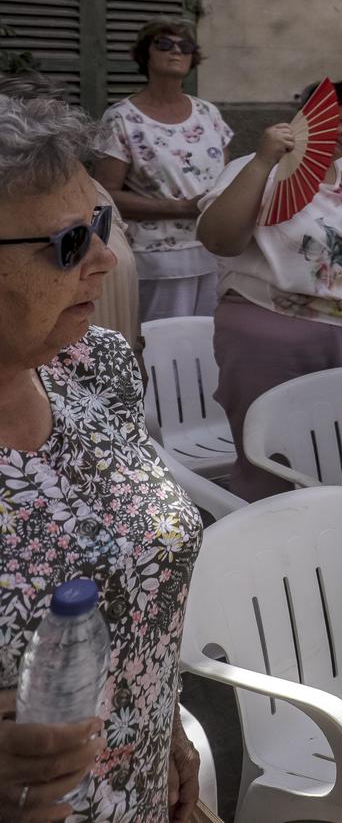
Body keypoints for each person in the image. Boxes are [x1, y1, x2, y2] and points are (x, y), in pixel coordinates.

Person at [0, 95, 203, 823]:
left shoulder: (97, 366)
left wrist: (167, 728)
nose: (105, 257)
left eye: (103, 223)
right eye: (68, 242)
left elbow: (136, 582)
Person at [195, 80, 342, 500]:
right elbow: (220, 239)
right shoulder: (254, 167)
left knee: (337, 459)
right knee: (271, 459)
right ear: (312, 117)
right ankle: (267, 556)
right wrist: (262, 161)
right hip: (268, 336)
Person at [92, 19, 233, 321]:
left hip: (214, 252)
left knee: (207, 347)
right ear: (145, 54)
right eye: (164, 44)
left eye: (185, 46)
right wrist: (182, 208)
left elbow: (226, 180)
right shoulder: (121, 118)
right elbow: (106, 195)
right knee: (162, 351)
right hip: (158, 261)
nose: (176, 51)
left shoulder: (209, 113)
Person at [0, 73, 140, 351]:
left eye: (98, 224)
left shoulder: (89, 192)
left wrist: (134, 350)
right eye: (72, 238)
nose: (106, 259)